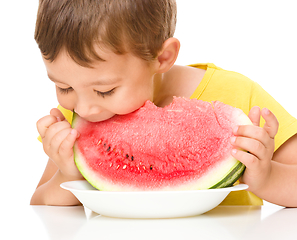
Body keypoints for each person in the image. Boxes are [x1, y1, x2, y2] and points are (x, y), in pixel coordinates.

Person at [30, 0, 297, 207]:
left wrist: (268, 177)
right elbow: (40, 205)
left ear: (163, 57)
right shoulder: (77, 115)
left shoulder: (239, 95)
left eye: (105, 90)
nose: (84, 109)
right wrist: (68, 176)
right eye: (63, 87)